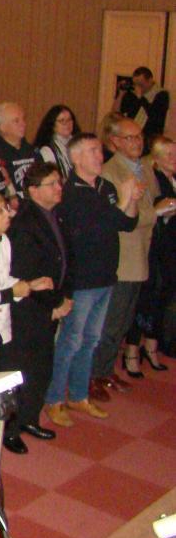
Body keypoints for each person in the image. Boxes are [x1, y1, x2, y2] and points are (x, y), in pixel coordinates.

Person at [46, 133, 140, 426]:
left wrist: (132, 201)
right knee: (71, 341)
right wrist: (124, 200)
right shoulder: (70, 192)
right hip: (82, 279)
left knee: (91, 341)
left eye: (100, 150)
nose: (99, 156)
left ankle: (78, 395)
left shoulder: (105, 187)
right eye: (91, 151)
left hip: (106, 276)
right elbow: (99, 226)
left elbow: (126, 223)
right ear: (75, 158)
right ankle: (54, 399)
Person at [0, 192, 54, 454]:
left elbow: (4, 280)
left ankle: (8, 430)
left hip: (2, 323)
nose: (8, 215)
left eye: (6, 209)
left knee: (7, 379)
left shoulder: (4, 240)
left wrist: (27, 286)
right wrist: (18, 290)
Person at [8, 162, 73, 441]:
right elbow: (28, 273)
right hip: (31, 308)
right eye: (52, 184)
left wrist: (65, 295)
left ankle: (30, 418)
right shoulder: (24, 223)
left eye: (59, 182)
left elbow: (66, 259)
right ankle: (13, 428)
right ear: (33, 190)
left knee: (42, 365)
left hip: (50, 304)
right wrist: (53, 303)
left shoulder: (54, 215)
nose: (59, 188)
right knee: (26, 367)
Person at [93, 118, 159, 386]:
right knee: (111, 322)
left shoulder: (145, 166)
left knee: (124, 321)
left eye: (140, 136)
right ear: (116, 142)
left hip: (142, 251)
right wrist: (157, 212)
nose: (138, 142)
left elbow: (150, 199)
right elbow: (122, 216)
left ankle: (106, 371)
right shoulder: (110, 171)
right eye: (130, 138)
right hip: (123, 255)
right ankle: (95, 376)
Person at [137, 137, 176, 362]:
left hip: (170, 246)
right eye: (169, 154)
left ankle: (157, 343)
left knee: (166, 295)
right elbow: (156, 208)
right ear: (157, 158)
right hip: (158, 247)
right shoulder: (155, 179)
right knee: (153, 296)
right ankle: (143, 346)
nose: (173, 159)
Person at [0, 102, 36, 198]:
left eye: (23, 119)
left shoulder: (32, 151)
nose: (23, 124)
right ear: (2, 127)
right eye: (16, 121)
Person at [115, 66, 169, 141]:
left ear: (150, 81)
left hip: (150, 138)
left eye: (141, 84)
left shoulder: (161, 94)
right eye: (135, 84)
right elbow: (117, 114)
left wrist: (141, 98)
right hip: (132, 136)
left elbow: (155, 116)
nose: (138, 87)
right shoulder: (133, 94)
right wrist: (121, 94)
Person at [33, 104, 80, 180]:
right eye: (62, 121)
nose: (67, 124)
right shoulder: (47, 150)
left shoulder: (80, 144)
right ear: (53, 125)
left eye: (69, 120)